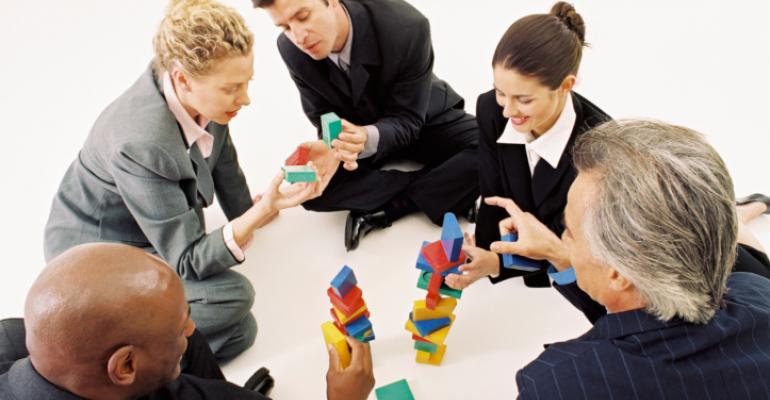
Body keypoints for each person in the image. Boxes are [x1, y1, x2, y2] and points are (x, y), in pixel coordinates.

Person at [42, 0, 337, 359]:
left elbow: (222, 156)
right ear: (182, 79)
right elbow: (187, 260)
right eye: (231, 89)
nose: (244, 99)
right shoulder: (141, 144)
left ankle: (162, 354)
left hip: (145, 229)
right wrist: (258, 216)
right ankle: (120, 357)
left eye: (247, 83)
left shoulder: (193, 87)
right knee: (234, 296)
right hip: (97, 257)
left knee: (241, 332)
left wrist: (250, 208)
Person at [446, 2, 770, 323]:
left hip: (652, 241)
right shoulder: (491, 108)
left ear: (566, 86)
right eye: (501, 92)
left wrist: (508, 264)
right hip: (562, 241)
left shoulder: (603, 156)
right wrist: (490, 253)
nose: (507, 110)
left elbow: (599, 255)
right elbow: (493, 190)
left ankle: (744, 208)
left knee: (722, 229)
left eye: (524, 99)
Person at [505, 120, 770, 398]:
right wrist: (556, 255)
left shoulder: (556, 384)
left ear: (619, 272)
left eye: (569, 231)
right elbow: (642, 317)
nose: (563, 240)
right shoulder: (757, 290)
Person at [0, 243, 374, 400]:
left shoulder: (14, 339)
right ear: (126, 365)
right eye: (182, 323)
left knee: (189, 345)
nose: (193, 326)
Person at [253, 0, 480, 250]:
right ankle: (448, 187)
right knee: (312, 189)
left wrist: (367, 136)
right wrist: (333, 147)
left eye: (303, 16)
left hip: (421, 117)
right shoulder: (290, 48)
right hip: (355, 133)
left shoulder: (408, 26)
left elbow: (408, 120)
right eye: (284, 26)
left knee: (493, 146)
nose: (298, 37)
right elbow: (321, 113)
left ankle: (393, 207)